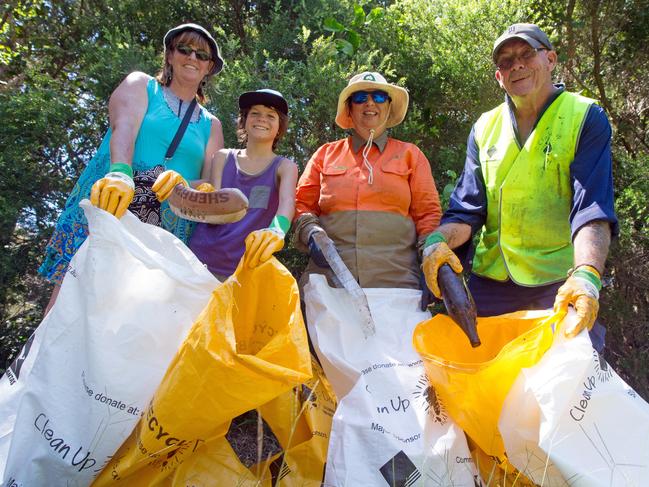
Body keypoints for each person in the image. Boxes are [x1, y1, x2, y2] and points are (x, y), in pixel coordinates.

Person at [422, 23, 618, 350]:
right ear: (499, 77)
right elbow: (467, 212)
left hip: (557, 284)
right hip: (491, 286)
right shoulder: (484, 128)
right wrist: (438, 240)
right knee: (483, 387)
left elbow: (592, 211)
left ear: (550, 59)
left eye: (527, 54)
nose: (517, 65)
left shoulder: (584, 116)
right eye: (506, 61)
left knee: (568, 383)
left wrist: (586, 275)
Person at [39, 23, 225, 312]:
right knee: (73, 294)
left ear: (209, 67)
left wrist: (188, 186)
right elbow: (123, 126)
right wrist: (120, 172)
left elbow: (212, 182)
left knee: (135, 312)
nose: (192, 58)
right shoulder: (142, 85)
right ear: (170, 55)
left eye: (201, 55)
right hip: (114, 200)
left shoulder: (211, 124)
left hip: (166, 223)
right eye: (184, 49)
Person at [294, 71, 442, 296]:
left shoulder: (411, 155)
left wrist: (431, 261)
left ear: (389, 106)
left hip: (399, 284)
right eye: (360, 97)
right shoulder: (325, 155)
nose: (370, 102)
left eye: (380, 97)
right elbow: (301, 205)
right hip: (328, 285)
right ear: (349, 109)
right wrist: (311, 232)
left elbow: (428, 215)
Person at [155, 89, 298, 280]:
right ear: (244, 121)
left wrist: (277, 230)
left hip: (245, 269)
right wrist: (180, 183)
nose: (262, 119)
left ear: (280, 127)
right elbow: (210, 192)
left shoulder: (285, 167)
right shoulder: (223, 157)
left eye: (271, 115)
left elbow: (287, 201)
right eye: (255, 113)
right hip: (200, 261)